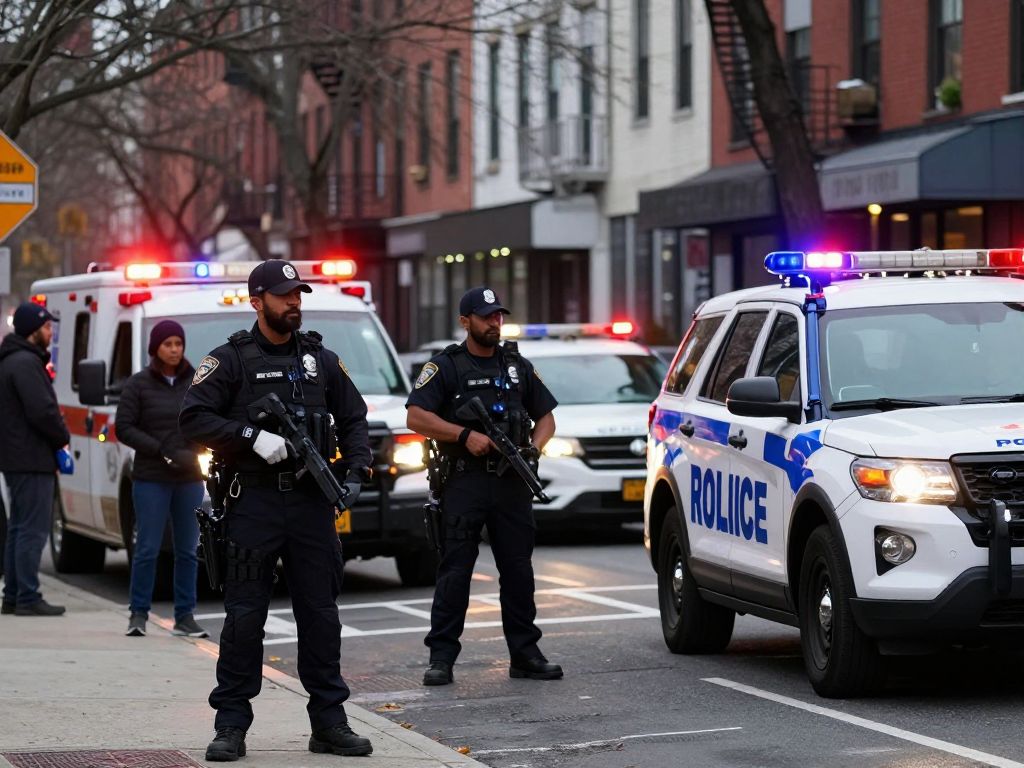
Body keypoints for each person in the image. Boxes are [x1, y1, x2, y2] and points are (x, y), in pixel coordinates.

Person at [179, 259, 374, 762]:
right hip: (255, 502)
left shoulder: (320, 360)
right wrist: (250, 437)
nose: (295, 302)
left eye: (298, 294)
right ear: (257, 301)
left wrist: (354, 473)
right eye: (285, 294)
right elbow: (193, 417)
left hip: (311, 503)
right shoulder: (230, 360)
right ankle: (230, 725)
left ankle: (329, 723)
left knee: (320, 616)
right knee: (244, 618)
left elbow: (355, 418)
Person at [406, 286, 562, 686]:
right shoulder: (446, 366)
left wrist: (534, 450)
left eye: (498, 316)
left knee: (518, 572)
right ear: (465, 322)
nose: (495, 322)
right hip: (464, 482)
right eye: (486, 316)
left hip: (511, 482)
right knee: (455, 572)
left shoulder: (515, 365)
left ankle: (525, 653)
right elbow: (416, 417)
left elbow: (545, 417)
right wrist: (462, 436)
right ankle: (441, 657)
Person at [116, 320, 207, 639]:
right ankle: (138, 613)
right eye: (167, 344)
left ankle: (185, 615)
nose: (174, 349)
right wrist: (162, 450)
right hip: (151, 477)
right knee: (148, 548)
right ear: (155, 348)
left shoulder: (196, 381)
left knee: (187, 549)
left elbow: (205, 420)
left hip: (189, 477)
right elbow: (124, 427)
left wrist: (192, 450)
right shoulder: (138, 384)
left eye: (178, 344)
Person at [0, 302, 70, 616]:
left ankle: (14, 595)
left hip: (17, 456)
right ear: (32, 331)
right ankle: (27, 596)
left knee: (18, 527)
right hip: (30, 456)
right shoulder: (26, 364)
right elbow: (42, 411)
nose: (49, 332)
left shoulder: (13, 361)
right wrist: (62, 437)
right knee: (32, 529)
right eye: (46, 327)